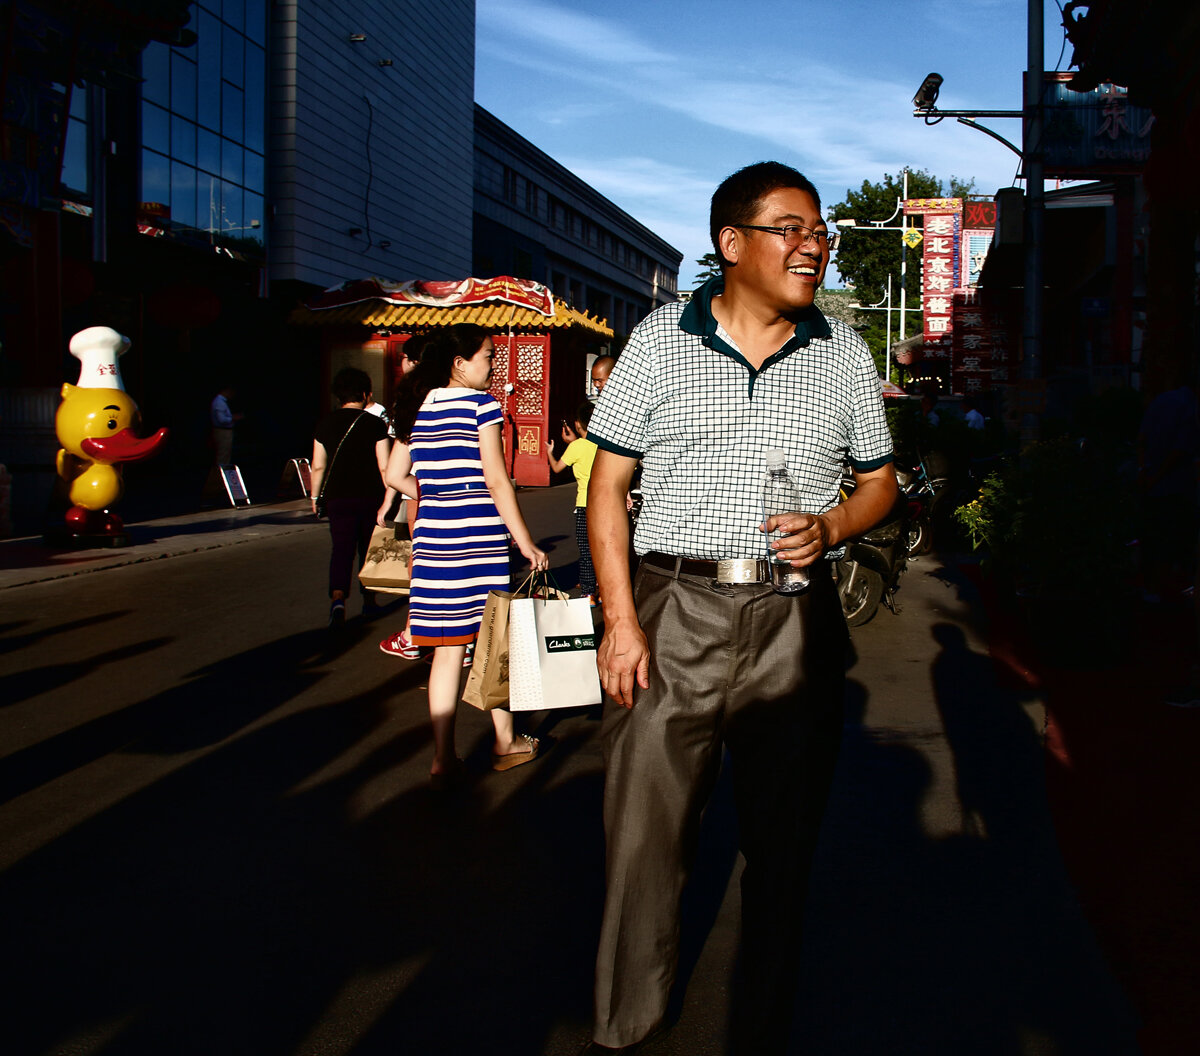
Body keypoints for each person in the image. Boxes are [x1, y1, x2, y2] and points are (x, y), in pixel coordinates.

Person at [581, 162, 897, 1055]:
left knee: (783, 846)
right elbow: (609, 489)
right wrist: (621, 622)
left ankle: (762, 1025)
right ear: (732, 244)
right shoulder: (659, 340)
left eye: (821, 230)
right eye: (791, 228)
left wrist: (833, 524)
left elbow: (880, 485)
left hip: (793, 620)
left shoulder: (842, 352)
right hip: (673, 606)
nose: (815, 245)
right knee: (643, 842)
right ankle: (625, 1024)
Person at [380, 324, 548, 788]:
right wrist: (525, 541)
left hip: (434, 539)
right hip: (478, 538)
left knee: (447, 653)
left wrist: (436, 496)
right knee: (495, 643)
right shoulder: (482, 406)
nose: (493, 367)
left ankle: (442, 757)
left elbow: (396, 477)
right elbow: (497, 480)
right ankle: (505, 742)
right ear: (460, 363)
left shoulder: (420, 405)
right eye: (488, 358)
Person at [311, 368, 391, 626]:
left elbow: (318, 466)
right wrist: (390, 496)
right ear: (366, 394)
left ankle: (337, 599)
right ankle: (369, 601)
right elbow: (384, 465)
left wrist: (315, 496)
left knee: (341, 548)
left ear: (338, 396)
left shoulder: (325, 423)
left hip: (338, 497)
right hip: (370, 496)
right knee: (368, 550)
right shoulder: (375, 424)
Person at [546, 401, 599, 602]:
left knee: (586, 551)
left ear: (577, 425)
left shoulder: (576, 446)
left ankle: (588, 593)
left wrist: (550, 453)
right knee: (602, 550)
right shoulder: (603, 445)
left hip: (585, 504)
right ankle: (601, 590)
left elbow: (558, 468)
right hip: (604, 504)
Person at [210, 383, 242, 465]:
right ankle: (219, 475)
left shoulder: (220, 402)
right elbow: (221, 419)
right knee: (222, 456)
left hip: (224, 432)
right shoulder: (219, 402)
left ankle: (222, 473)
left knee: (225, 455)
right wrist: (233, 418)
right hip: (222, 432)